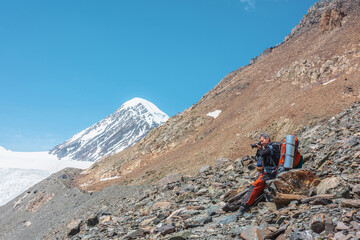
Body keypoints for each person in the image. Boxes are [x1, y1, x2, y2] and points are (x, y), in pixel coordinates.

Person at [238, 133, 280, 215]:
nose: (262, 142)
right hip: (266, 171)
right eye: (260, 141)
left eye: (262, 140)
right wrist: (259, 149)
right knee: (254, 185)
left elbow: (263, 154)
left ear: (267, 139)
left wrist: (260, 148)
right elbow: (259, 156)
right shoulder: (267, 147)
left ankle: (244, 207)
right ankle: (246, 204)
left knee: (255, 186)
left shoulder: (273, 146)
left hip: (271, 172)